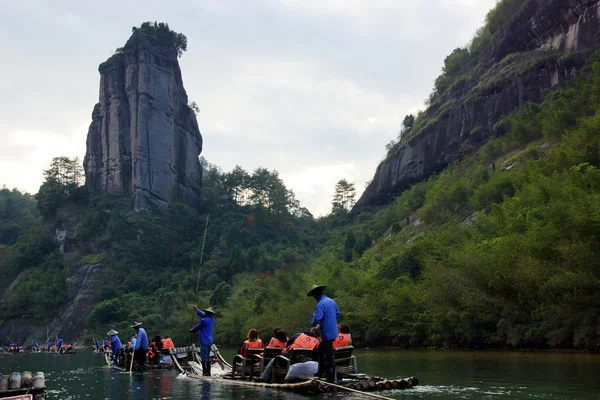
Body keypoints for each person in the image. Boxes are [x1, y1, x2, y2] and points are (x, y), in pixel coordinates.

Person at [308, 284, 340, 383]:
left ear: (315, 295)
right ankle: (320, 371)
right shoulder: (331, 301)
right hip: (333, 332)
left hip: (327, 333)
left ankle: (330, 379)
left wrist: (314, 321)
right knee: (321, 349)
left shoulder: (320, 304)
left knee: (329, 355)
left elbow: (317, 319)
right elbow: (338, 314)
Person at [190, 306, 215, 376]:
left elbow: (198, 327)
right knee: (207, 356)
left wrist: (192, 330)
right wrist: (197, 309)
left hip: (205, 341)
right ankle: (208, 372)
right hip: (210, 341)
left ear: (207, 313)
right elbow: (203, 315)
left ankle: (205, 372)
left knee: (204, 357)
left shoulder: (204, 321)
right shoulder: (211, 319)